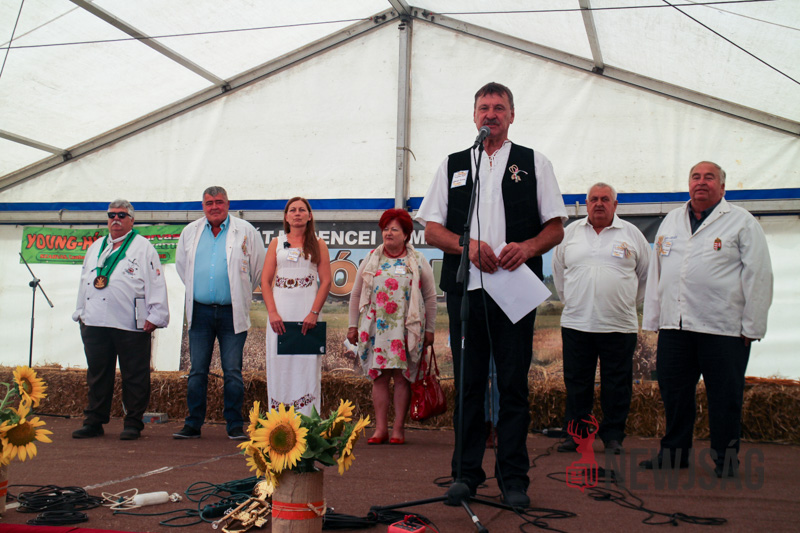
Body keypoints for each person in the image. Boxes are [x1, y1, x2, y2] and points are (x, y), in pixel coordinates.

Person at [416, 82, 567, 508]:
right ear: (474, 116)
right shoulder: (454, 164)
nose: (491, 114)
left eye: (499, 108)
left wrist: (529, 247)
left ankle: (513, 479)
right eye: (484, 107)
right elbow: (432, 230)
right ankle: (465, 474)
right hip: (468, 292)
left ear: (512, 115)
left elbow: (556, 227)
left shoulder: (534, 162)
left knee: (513, 386)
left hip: (514, 292)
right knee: (468, 386)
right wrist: (466, 246)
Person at [641, 161, 773, 478]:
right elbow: (658, 271)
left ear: (722, 187)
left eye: (709, 177)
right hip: (675, 327)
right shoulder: (672, 220)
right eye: (696, 177)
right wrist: (654, 319)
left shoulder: (741, 222)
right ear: (689, 184)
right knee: (674, 394)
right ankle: (673, 455)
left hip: (724, 328)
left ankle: (726, 460)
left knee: (725, 398)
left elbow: (759, 275)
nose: (701, 182)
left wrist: (752, 325)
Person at [552, 183, 649, 455]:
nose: (599, 203)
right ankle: (577, 436)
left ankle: (613, 436)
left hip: (618, 324)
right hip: (577, 323)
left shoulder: (632, 234)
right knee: (577, 383)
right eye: (593, 199)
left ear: (615, 205)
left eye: (605, 199)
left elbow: (645, 276)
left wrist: (624, 302)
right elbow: (559, 274)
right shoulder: (570, 233)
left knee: (616, 384)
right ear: (586, 204)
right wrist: (575, 301)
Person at [72, 199, 169, 441]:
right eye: (111, 215)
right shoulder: (96, 246)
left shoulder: (143, 247)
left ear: (132, 220)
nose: (116, 219)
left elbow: (156, 282)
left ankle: (133, 422)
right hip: (95, 321)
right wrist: (80, 311)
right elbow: (85, 280)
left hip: (130, 322)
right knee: (97, 374)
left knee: (134, 375)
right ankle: (94, 421)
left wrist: (156, 315)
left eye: (121, 215)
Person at [174, 186, 266, 440]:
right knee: (197, 371)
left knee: (232, 371)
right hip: (200, 311)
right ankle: (193, 424)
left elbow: (257, 269)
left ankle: (234, 424)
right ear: (203, 206)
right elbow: (183, 268)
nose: (214, 207)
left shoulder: (246, 231)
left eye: (219, 202)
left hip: (231, 312)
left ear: (228, 204)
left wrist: (237, 291)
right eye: (209, 203)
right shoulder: (190, 231)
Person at [347, 209, 437, 445]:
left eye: (394, 229)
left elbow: (430, 297)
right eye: (385, 229)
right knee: (379, 378)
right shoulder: (371, 258)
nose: (388, 233)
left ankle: (398, 429)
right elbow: (356, 294)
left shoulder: (418, 260)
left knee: (402, 378)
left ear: (406, 234)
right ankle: (380, 429)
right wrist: (352, 326)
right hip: (376, 329)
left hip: (406, 329)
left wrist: (430, 330)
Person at [261, 197, 331, 415]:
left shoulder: (319, 244)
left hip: (307, 314)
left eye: (302, 209)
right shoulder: (276, 243)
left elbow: (326, 281)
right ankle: (279, 421)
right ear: (286, 216)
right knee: (279, 365)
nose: (297, 213)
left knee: (306, 366)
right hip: (280, 315)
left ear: (310, 216)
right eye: (293, 210)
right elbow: (265, 281)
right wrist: (272, 312)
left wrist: (314, 313)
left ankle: (307, 421)